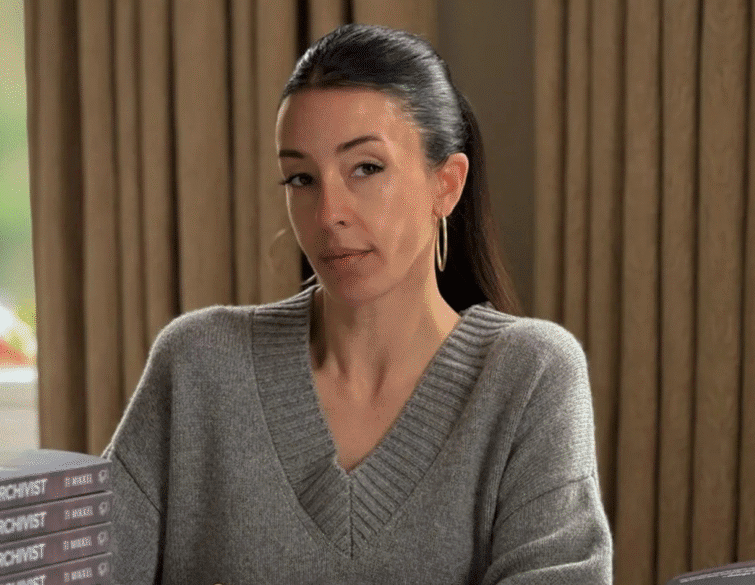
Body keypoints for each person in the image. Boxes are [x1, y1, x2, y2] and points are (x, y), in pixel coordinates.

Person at [103, 23, 613, 584]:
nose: (328, 215)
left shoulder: (530, 375)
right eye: (301, 179)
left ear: (447, 183)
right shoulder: (197, 363)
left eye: (366, 169)